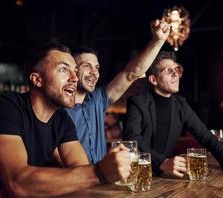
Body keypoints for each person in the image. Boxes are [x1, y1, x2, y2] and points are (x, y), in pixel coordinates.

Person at [0, 42, 132, 198]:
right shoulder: (5, 108)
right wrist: (99, 173)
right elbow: (17, 183)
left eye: (75, 71)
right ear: (37, 79)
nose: (74, 78)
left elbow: (81, 172)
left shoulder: (62, 119)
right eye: (63, 69)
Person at [122, 51, 223, 177]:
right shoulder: (137, 103)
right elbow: (132, 141)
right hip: (138, 174)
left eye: (176, 69)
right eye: (168, 71)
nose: (176, 74)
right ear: (153, 79)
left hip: (165, 176)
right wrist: (162, 162)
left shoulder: (181, 104)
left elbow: (206, 136)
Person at [66, 19, 170, 164]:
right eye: (87, 66)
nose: (94, 72)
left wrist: (158, 41)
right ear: (72, 70)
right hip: (74, 182)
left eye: (97, 67)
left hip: (101, 181)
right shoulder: (57, 109)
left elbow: (131, 73)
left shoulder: (98, 99)